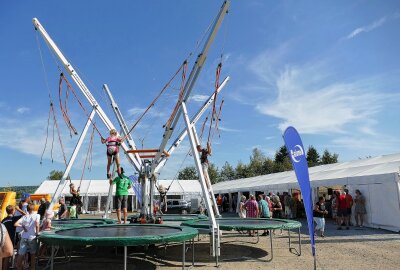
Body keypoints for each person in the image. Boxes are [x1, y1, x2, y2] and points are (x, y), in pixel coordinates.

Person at [15, 204, 40, 270]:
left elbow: (15, 224)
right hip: (32, 237)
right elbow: (37, 225)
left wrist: (23, 226)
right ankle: (32, 268)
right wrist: (37, 234)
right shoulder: (37, 215)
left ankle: (18, 267)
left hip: (24, 237)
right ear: (34, 208)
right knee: (32, 254)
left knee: (21, 254)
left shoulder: (24, 217)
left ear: (27, 209)